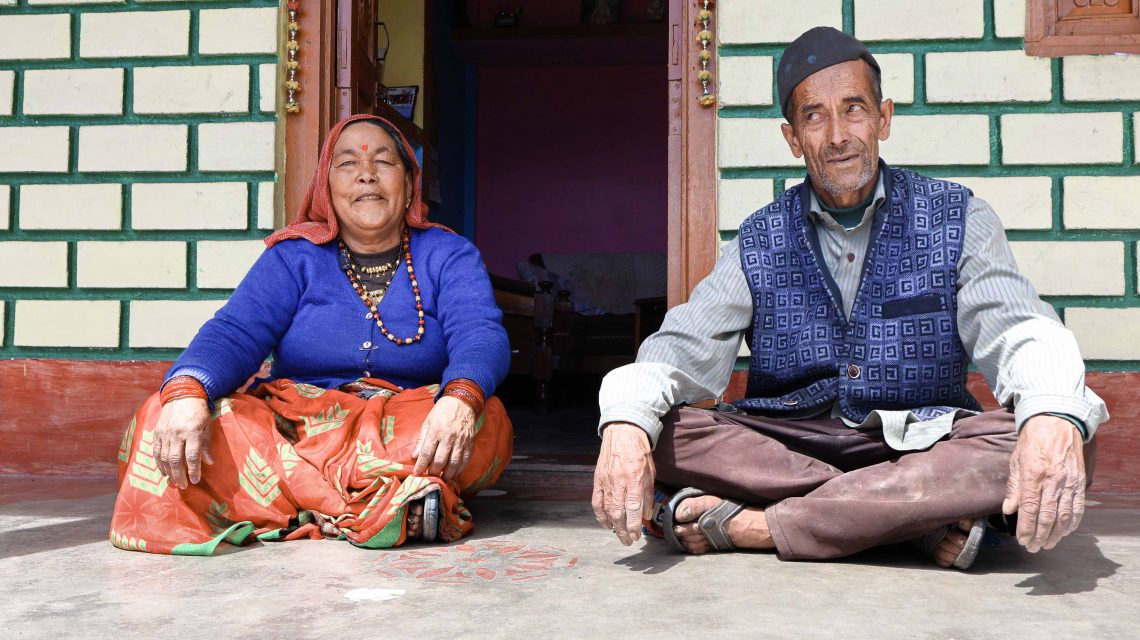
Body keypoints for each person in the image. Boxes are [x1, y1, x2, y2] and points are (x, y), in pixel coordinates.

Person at [591, 27, 1108, 568]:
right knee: (659, 430)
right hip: (785, 447)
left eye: (854, 109)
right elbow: (680, 347)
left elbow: (1018, 328)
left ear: (883, 117)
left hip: (920, 442)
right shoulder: (759, 237)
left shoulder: (958, 218)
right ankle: (905, 522)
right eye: (814, 116)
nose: (838, 135)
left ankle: (760, 524)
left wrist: (1051, 414)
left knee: (1058, 431)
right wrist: (627, 422)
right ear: (793, 138)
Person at [110, 114, 513, 555]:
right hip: (300, 428)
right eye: (346, 164)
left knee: (485, 420)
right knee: (163, 414)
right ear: (326, 184)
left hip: (403, 422)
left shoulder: (449, 254)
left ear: (409, 182)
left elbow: (479, 333)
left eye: (384, 161)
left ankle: (305, 505)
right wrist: (188, 391)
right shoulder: (293, 257)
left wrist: (459, 399)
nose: (366, 173)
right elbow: (235, 332)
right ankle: (387, 505)